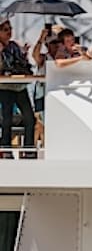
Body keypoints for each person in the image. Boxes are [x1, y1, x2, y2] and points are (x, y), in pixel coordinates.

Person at [0, 17, 37, 158]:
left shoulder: (14, 46)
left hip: (20, 87)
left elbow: (22, 65)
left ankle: (29, 150)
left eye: (10, 29)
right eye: (5, 30)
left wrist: (24, 54)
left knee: (29, 118)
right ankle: (6, 150)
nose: (9, 32)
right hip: (4, 88)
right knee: (6, 119)